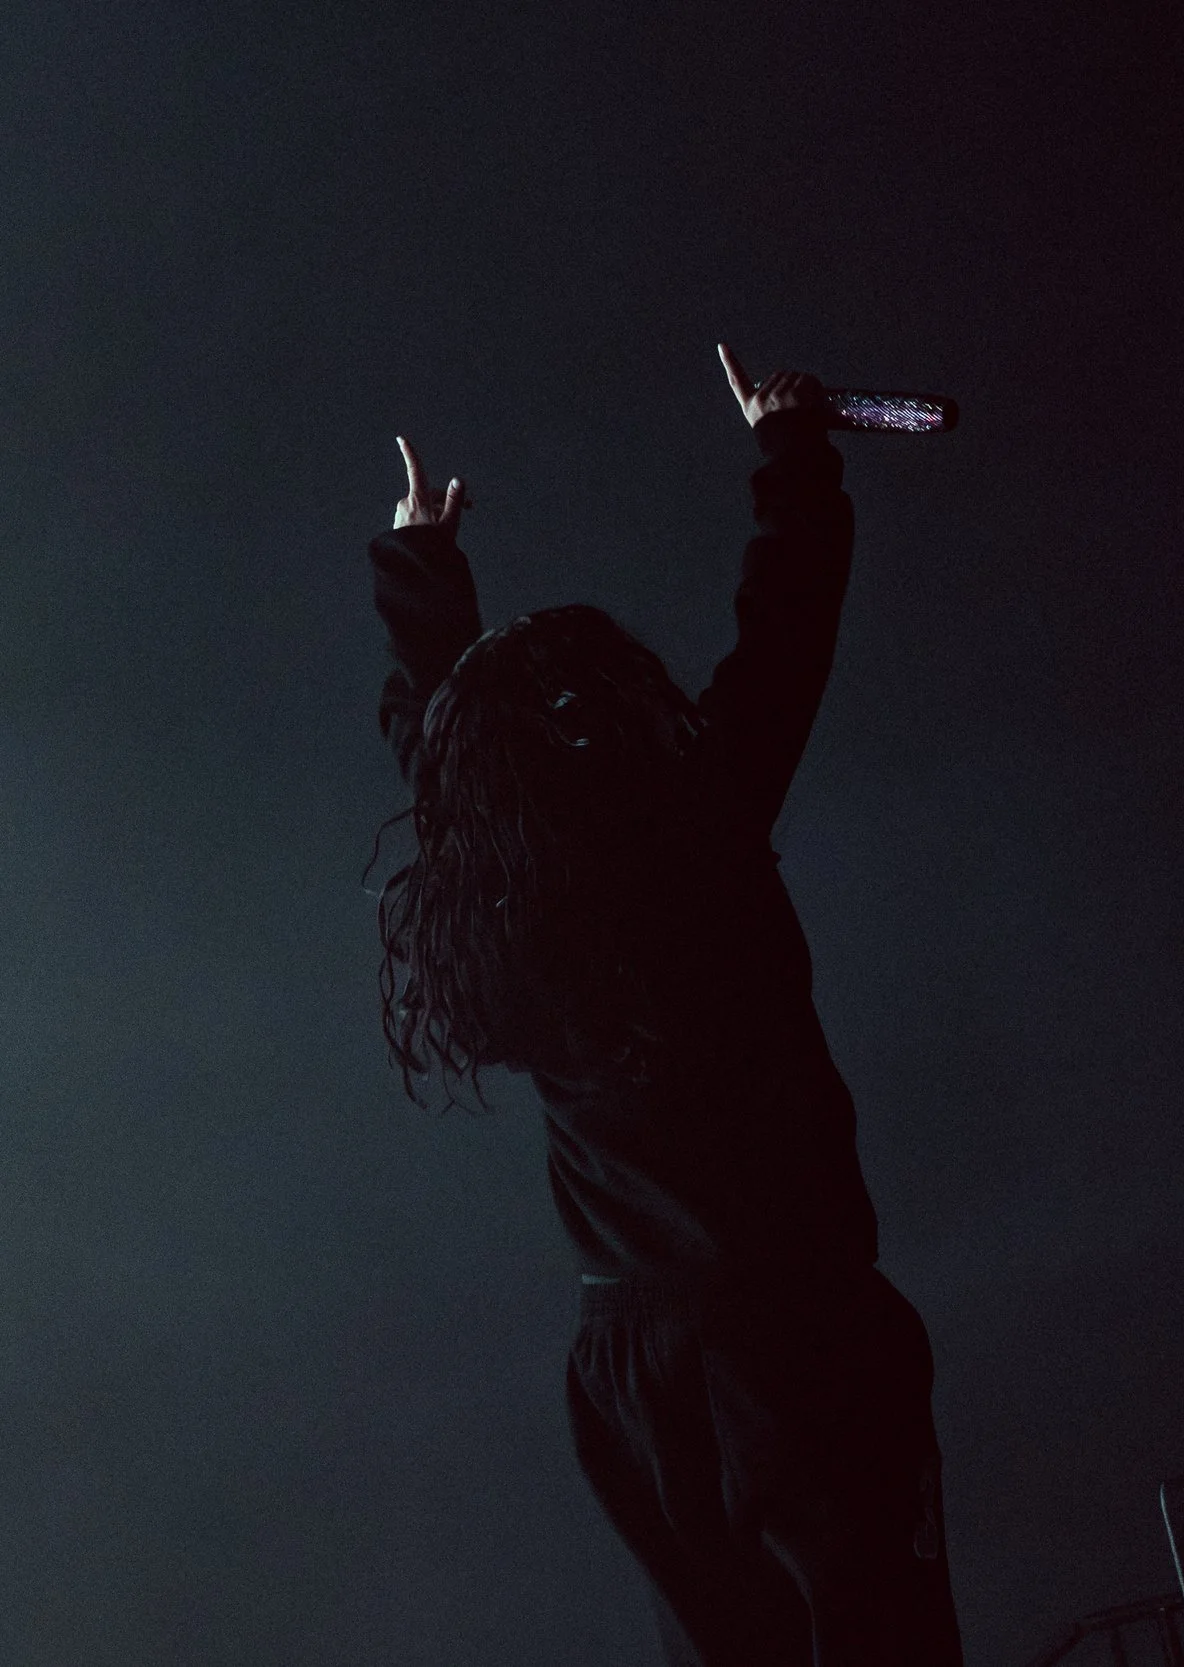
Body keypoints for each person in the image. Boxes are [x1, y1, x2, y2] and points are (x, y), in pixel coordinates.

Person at [369, 346, 961, 1666]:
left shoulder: (501, 911)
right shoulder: (704, 824)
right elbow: (788, 624)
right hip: (793, 1321)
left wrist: (423, 574)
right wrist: (793, 453)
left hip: (632, 1359)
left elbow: (447, 761)